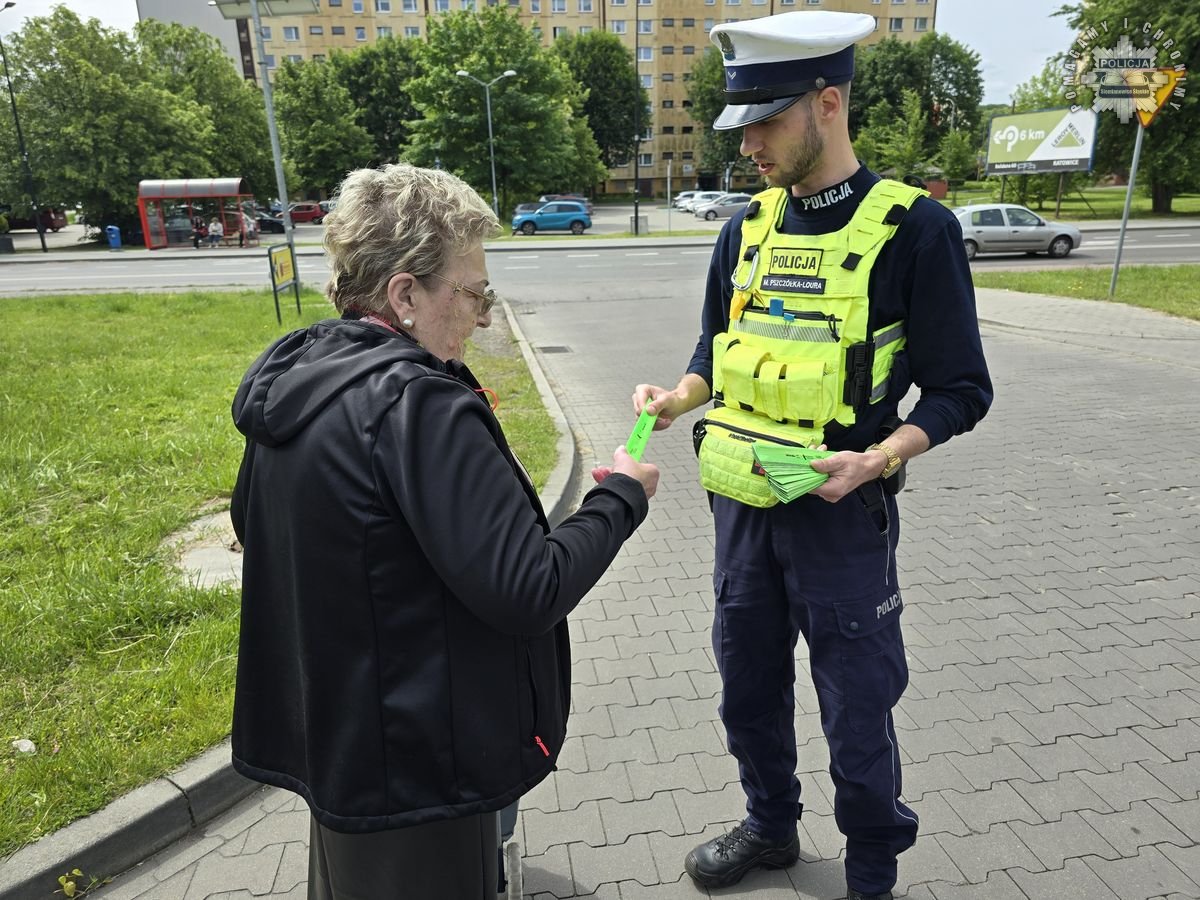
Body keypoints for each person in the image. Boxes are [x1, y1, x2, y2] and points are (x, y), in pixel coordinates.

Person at [631, 12, 992, 900]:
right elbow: (714, 349)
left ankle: (870, 870)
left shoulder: (916, 230)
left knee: (856, 705)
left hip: (841, 519)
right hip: (742, 508)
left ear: (827, 104)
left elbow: (961, 389)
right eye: (741, 124)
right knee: (746, 689)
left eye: (766, 122)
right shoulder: (743, 229)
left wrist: (883, 456)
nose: (747, 144)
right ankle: (770, 825)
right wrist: (677, 397)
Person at [230, 162, 660, 900]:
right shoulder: (419, 406)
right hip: (421, 763)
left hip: (343, 745)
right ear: (405, 294)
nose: (485, 316)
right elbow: (530, 587)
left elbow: (255, 524)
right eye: (474, 293)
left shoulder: (304, 381)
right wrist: (620, 497)